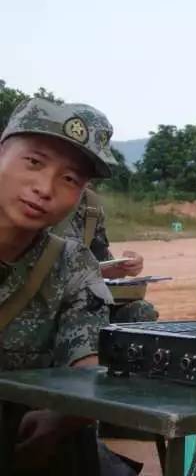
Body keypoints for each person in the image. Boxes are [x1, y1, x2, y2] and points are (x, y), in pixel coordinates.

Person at [0, 97, 139, 475]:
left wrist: (60, 420)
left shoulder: (73, 264)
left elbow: (87, 366)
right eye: (34, 162)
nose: (44, 188)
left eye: (69, 179)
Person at [56, 188, 159, 324]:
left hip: (80, 299)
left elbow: (102, 264)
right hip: (41, 302)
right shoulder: (31, 197)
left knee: (140, 311)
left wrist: (125, 267)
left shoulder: (89, 205)